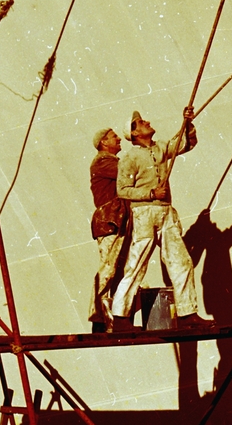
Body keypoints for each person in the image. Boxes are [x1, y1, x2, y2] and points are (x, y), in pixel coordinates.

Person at [110, 108, 205, 332]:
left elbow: (183, 144)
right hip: (144, 213)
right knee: (137, 265)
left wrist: (187, 123)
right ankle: (120, 318)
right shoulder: (130, 158)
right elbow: (123, 190)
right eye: (141, 122)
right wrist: (151, 193)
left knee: (181, 261)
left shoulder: (160, 148)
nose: (147, 121)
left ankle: (187, 313)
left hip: (165, 212)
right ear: (134, 133)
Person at [88, 128, 129, 332]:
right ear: (104, 142)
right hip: (110, 220)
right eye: (114, 137)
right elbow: (128, 171)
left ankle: (112, 319)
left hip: (116, 220)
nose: (119, 138)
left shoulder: (108, 162)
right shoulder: (103, 162)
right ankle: (99, 317)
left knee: (117, 270)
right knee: (108, 268)